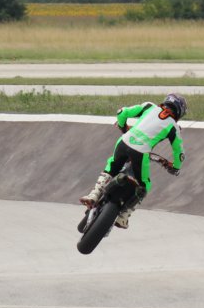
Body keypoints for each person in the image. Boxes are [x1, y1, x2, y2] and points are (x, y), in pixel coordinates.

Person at [80, 93, 186, 229]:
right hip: (140, 153)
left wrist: (123, 127)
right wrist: (176, 167)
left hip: (124, 142)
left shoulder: (149, 106)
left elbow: (122, 112)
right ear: (179, 112)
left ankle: (94, 194)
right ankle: (124, 216)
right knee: (145, 184)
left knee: (112, 167)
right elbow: (179, 152)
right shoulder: (173, 127)